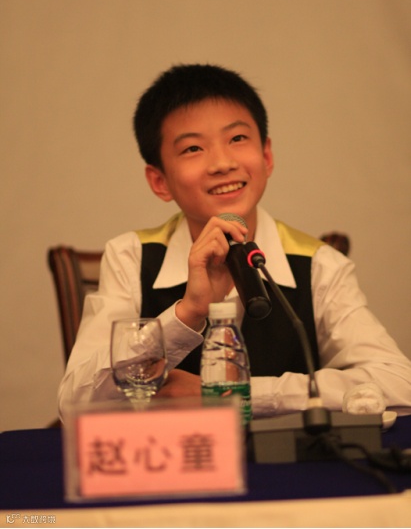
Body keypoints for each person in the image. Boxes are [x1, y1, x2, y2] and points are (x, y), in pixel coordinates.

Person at [58, 64, 411, 419]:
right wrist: (186, 314)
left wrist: (232, 396)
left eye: (237, 139)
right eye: (193, 148)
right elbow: (76, 401)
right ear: (159, 181)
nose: (222, 163)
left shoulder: (319, 265)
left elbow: (398, 384)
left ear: (266, 156)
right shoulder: (131, 257)